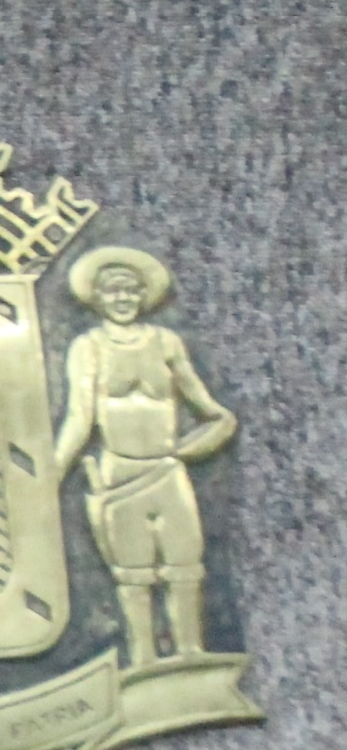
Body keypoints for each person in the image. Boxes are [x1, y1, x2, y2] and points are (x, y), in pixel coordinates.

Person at [53, 244, 237, 662]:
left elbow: (215, 415)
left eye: (130, 290)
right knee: (133, 574)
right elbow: (79, 419)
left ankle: (191, 652)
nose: (122, 299)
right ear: (97, 297)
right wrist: (53, 472)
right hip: (120, 475)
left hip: (167, 471)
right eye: (113, 291)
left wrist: (196, 446)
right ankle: (143, 659)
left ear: (143, 295)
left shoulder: (167, 343)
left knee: (185, 567)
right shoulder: (88, 347)